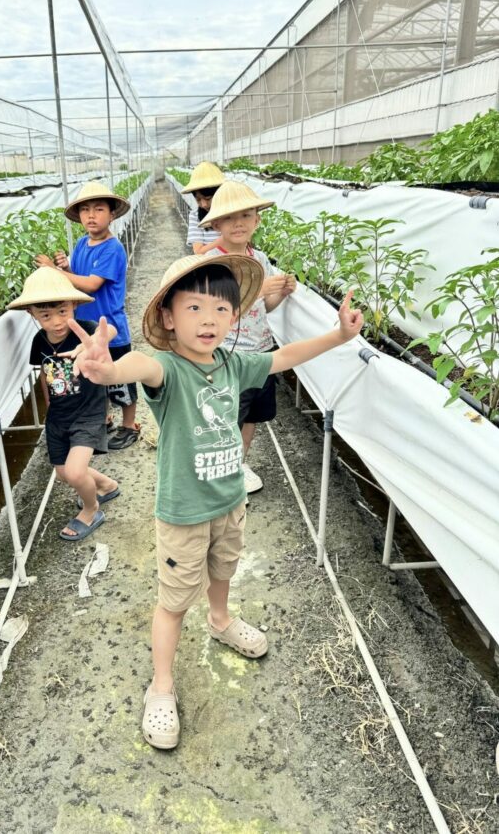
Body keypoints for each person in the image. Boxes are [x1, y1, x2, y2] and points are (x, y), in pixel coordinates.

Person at [70, 252, 363, 749]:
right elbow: (136, 365)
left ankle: (222, 619)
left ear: (234, 316)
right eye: (194, 308)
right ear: (167, 316)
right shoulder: (167, 368)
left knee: (224, 566)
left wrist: (339, 336)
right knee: (173, 600)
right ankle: (161, 686)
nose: (209, 320)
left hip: (229, 499)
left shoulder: (232, 363)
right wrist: (104, 369)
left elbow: (281, 359)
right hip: (184, 512)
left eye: (221, 310)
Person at [8, 267, 120, 542]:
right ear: (31, 314)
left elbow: (110, 331)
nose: (56, 321)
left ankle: (91, 509)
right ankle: (106, 485)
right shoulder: (39, 341)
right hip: (59, 415)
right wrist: (48, 407)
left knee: (75, 471)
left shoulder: (88, 332)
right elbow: (45, 374)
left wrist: (92, 343)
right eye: (45, 315)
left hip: (89, 412)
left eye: (63, 312)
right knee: (62, 472)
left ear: (75, 305)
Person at [200, 179, 297, 496]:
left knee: (251, 414)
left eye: (246, 215)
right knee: (227, 416)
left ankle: (237, 463)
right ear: (216, 223)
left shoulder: (261, 259)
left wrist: (281, 292)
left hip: (261, 351)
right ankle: (222, 473)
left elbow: (265, 308)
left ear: (257, 219)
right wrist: (258, 290)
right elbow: (212, 316)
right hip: (227, 356)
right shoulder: (213, 262)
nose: (238, 223)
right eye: (229, 217)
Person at [35, 181, 140, 450]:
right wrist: (67, 266)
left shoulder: (113, 248)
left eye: (98, 209)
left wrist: (54, 271)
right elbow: (76, 278)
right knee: (93, 379)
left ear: (112, 214)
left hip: (110, 330)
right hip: (85, 330)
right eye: (85, 210)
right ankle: (103, 421)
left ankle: (129, 426)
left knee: (121, 381)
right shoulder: (82, 243)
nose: (91, 215)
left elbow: (92, 284)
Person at [181, 161, 226, 255]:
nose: (204, 204)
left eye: (208, 198)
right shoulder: (195, 216)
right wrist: (226, 238)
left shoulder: (234, 213)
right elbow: (198, 251)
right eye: (198, 200)